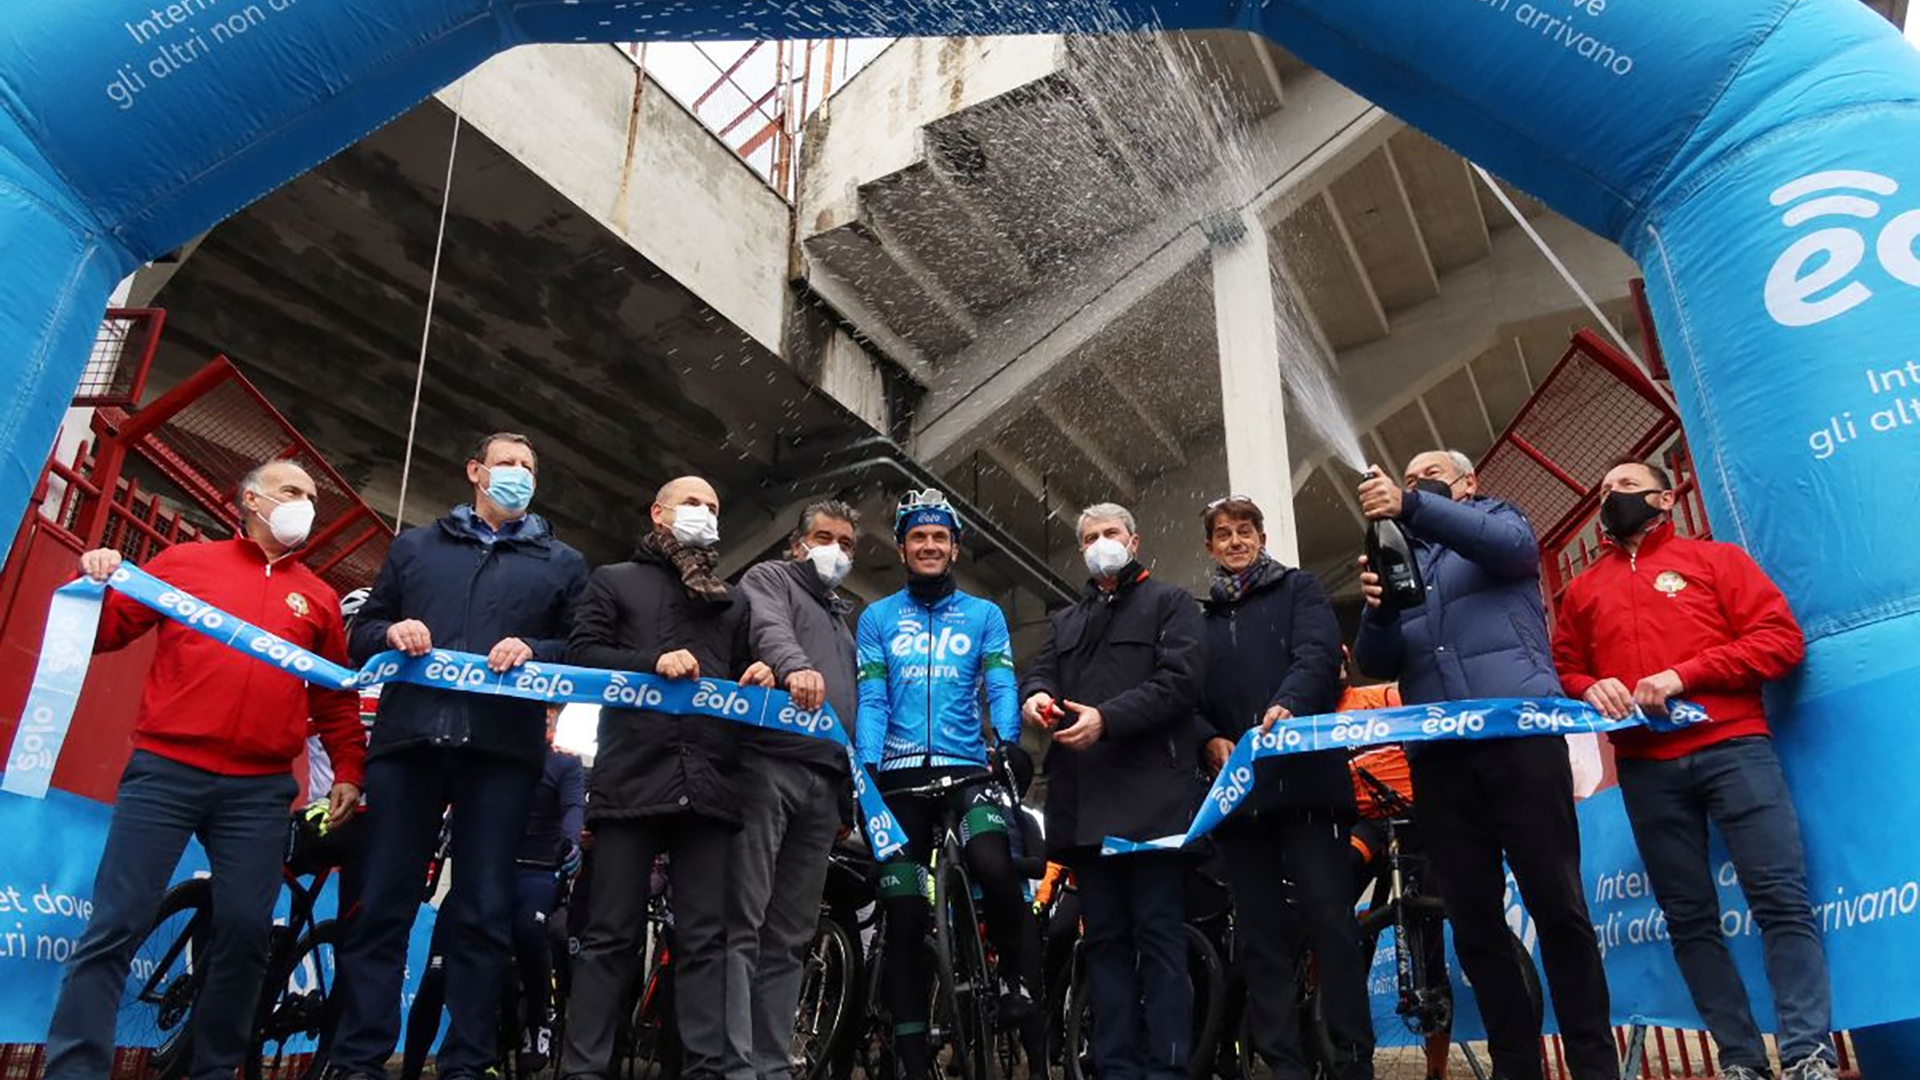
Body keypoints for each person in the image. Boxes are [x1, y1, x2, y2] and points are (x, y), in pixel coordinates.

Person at [43, 459, 365, 1080]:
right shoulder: (186, 564)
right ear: (250, 500)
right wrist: (96, 577)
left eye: (312, 496)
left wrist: (349, 765)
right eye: (292, 491)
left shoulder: (320, 599)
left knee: (245, 934)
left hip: (260, 790)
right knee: (116, 925)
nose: (305, 504)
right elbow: (107, 631)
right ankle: (75, 1069)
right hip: (166, 771)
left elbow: (332, 696)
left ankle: (213, 1070)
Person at [1552, 459, 1833, 1080]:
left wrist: (1686, 674)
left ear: (1665, 497)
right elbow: (1564, 668)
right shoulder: (1582, 591)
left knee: (1780, 900)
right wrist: (1589, 686)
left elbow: (1780, 640)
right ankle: (1738, 1061)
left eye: (1626, 487)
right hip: (1647, 769)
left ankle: (1807, 1052)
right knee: (1689, 918)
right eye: (1604, 491)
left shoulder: (1717, 562)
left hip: (1735, 749)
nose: (1611, 497)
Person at [328, 433, 588, 1080]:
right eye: (507, 463)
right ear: (475, 471)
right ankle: (358, 1059)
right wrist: (389, 632)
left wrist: (536, 650)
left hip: (501, 756)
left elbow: (584, 648)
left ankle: (466, 1063)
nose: (519, 475)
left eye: (529, 467)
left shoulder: (561, 563)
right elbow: (359, 632)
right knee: (383, 905)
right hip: (408, 747)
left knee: (481, 911)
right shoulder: (415, 546)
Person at [1353, 449, 1615, 1080]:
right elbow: (1377, 661)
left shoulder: (1498, 521)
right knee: (1472, 923)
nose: (1414, 487)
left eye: (1429, 476)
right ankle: (1516, 1064)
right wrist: (1380, 608)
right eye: (1408, 481)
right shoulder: (1401, 555)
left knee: (1559, 909)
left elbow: (1512, 546)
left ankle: (1593, 1063)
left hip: (1519, 744)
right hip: (1441, 760)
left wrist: (1413, 504)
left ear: (1467, 483)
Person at [559, 476, 775, 1080]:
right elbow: (581, 658)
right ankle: (584, 1068)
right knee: (610, 936)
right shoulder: (614, 581)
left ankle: (703, 1069)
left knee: (706, 940)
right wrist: (649, 663)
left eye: (713, 505)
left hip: (708, 785)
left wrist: (753, 676)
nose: (704, 513)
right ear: (658, 513)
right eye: (692, 503)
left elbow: (735, 673)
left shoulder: (730, 601)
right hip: (631, 779)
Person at [1021, 502, 1204, 1080]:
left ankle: (1168, 1068)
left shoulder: (1171, 603)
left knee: (1159, 941)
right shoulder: (1066, 620)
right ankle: (1115, 1066)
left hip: (1153, 806)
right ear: (1080, 550)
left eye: (1111, 533)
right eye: (1091, 536)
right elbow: (1039, 672)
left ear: (1134, 538)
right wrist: (1036, 698)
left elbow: (1180, 684)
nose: (1102, 542)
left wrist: (1107, 719)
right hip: (1085, 809)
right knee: (1101, 945)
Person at [854, 488, 1031, 1080]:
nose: (928, 546)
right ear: (903, 548)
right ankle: (909, 1052)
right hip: (901, 779)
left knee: (994, 863)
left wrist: (1008, 743)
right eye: (917, 538)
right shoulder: (877, 618)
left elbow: (1002, 686)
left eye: (939, 538)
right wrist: (868, 768)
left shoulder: (985, 615)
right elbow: (874, 699)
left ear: (953, 549)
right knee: (902, 910)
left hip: (967, 772)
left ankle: (1014, 980)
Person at [1194, 496, 1373, 1080]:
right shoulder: (1200, 623)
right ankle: (1284, 1065)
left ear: (1262, 537)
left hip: (1308, 791)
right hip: (1241, 802)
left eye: (1244, 531)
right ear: (1210, 548)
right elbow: (1184, 695)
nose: (1235, 541)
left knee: (1332, 926)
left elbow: (1319, 656)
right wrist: (1207, 739)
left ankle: (1352, 1061)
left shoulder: (1301, 590)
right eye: (1223, 534)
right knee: (1262, 940)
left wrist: (1288, 704)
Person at [727, 501, 862, 1080]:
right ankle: (732, 1064)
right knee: (743, 923)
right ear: (797, 543)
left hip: (823, 784)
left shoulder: (843, 619)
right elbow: (769, 629)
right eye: (824, 537)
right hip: (768, 766)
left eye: (847, 543)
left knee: (790, 936)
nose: (836, 549)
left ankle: (771, 1064)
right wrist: (792, 668)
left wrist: (847, 799)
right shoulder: (770, 578)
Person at [402, 707, 584, 1079]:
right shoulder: (492, 758)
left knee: (528, 928)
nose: (545, 722)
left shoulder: (564, 764)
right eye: (540, 715)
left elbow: (572, 809)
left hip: (536, 872)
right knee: (437, 974)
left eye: (551, 717)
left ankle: (539, 1017)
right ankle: (410, 1070)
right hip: (487, 870)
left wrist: (570, 842)